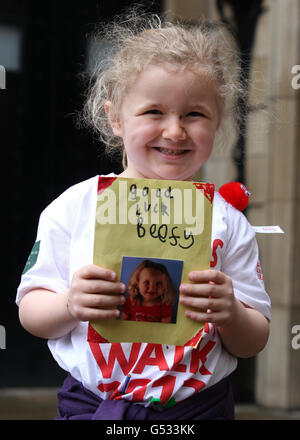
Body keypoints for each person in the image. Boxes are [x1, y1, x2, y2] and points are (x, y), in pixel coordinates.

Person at [16, 10, 271, 420]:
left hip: (196, 412)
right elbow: (31, 312)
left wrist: (232, 313)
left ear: (218, 119)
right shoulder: (76, 206)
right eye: (154, 112)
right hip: (93, 406)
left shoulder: (227, 221)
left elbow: (253, 339)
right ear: (115, 117)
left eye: (194, 114)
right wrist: (69, 304)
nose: (174, 131)